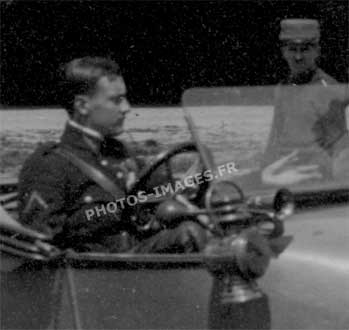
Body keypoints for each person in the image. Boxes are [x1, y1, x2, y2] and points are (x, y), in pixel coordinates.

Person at [18, 57, 207, 253]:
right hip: (95, 274)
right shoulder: (49, 165)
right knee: (190, 234)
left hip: (137, 261)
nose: (127, 108)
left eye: (124, 98)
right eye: (116, 100)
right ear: (82, 106)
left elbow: (164, 194)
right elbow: (41, 246)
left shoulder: (123, 154)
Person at [262, 18, 348, 184]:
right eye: (292, 49)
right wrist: (265, 171)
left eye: (305, 49)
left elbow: (338, 149)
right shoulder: (282, 88)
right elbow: (274, 139)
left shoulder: (327, 90)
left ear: (317, 51)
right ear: (283, 52)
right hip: (280, 174)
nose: (298, 56)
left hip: (310, 178)